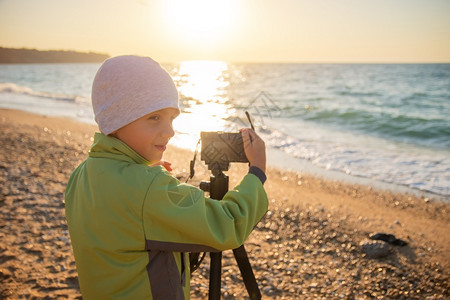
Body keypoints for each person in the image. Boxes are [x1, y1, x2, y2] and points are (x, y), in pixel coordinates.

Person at [64, 55, 268, 299]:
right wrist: (257, 171)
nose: (170, 131)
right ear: (117, 119)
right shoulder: (146, 189)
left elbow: (121, 221)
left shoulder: (81, 175)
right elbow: (228, 224)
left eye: (172, 118)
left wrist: (139, 171)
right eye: (154, 117)